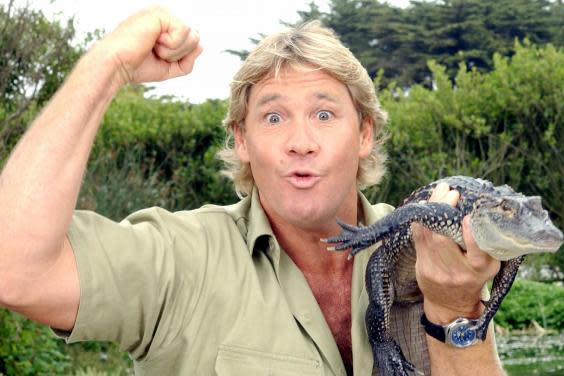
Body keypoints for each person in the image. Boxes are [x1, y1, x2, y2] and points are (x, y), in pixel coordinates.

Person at [0, 6, 506, 375]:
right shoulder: (181, 261)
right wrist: (107, 64)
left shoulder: (428, 250)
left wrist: (451, 309)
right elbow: (14, 270)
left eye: (324, 114)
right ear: (242, 140)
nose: (299, 143)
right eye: (273, 116)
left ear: (365, 133)